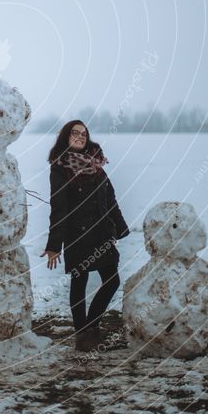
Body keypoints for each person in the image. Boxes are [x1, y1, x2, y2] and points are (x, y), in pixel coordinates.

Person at [40, 120, 130, 353]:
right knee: (78, 284)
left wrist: (120, 227)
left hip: (102, 235)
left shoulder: (96, 163)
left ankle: (91, 327)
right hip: (77, 235)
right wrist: (53, 245)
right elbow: (58, 207)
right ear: (65, 137)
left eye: (83, 133)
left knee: (112, 281)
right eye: (74, 133)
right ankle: (83, 335)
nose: (80, 136)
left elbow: (109, 199)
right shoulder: (60, 167)